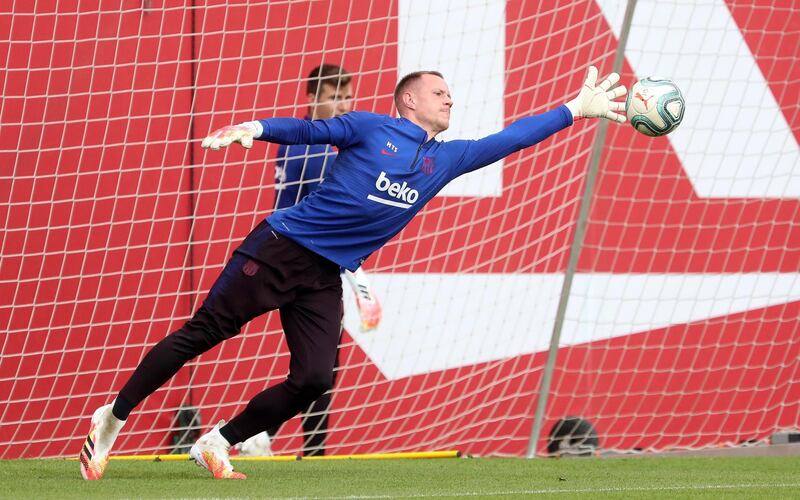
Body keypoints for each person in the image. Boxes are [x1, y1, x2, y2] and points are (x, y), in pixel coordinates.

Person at [78, 65, 627, 480]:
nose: (450, 99)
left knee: (315, 378)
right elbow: (305, 131)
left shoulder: (448, 159)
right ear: (409, 100)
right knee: (204, 333)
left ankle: (218, 441)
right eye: (439, 93)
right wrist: (255, 126)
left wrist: (575, 110)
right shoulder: (370, 128)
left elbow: (509, 140)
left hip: (324, 275)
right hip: (280, 247)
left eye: (450, 94)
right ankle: (114, 416)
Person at [235, 63, 382, 458]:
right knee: (318, 367)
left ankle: (272, 438)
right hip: (299, 260)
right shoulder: (318, 150)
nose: (343, 104)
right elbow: (336, 223)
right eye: (334, 97)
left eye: (347, 96)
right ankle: (271, 438)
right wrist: (360, 282)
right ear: (313, 98)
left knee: (318, 366)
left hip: (294, 256)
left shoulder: (306, 141)